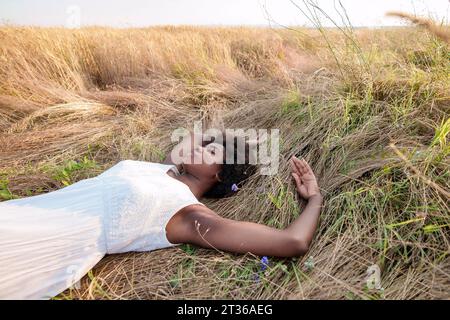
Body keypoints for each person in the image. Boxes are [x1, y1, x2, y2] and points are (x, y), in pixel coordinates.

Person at [0, 131, 322, 299]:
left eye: (212, 152)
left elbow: (292, 242)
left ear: (220, 177)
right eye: (207, 145)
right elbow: (196, 135)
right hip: (37, 209)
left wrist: (314, 198)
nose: (200, 148)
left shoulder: (188, 215)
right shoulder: (161, 168)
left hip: (54, 241)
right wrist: (215, 139)